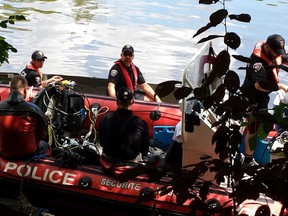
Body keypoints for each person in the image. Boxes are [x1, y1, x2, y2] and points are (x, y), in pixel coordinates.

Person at [241, 34, 288, 167]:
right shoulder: (257, 62)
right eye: (275, 52)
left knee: (260, 126)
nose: (277, 55)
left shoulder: (274, 53)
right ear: (267, 47)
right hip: (253, 97)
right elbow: (259, 85)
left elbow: (283, 58)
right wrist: (282, 86)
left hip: (263, 97)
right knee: (253, 129)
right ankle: (248, 161)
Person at [0, 75, 49, 159]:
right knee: (46, 144)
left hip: (3, 152)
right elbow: (43, 133)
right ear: (26, 89)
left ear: (10, 89)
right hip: (27, 153)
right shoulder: (33, 110)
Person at [99, 87, 150, 163]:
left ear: (117, 101)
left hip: (107, 158)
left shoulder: (105, 119)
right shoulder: (141, 123)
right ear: (132, 101)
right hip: (129, 161)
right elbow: (144, 151)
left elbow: (102, 143)